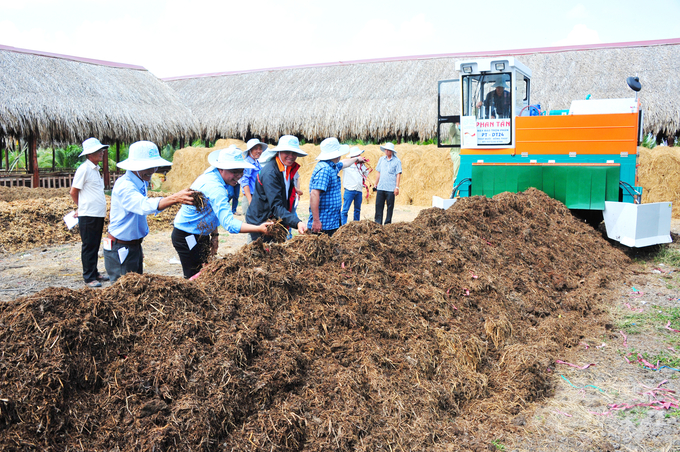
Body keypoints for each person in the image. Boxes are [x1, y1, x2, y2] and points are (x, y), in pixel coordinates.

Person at [172, 146, 271, 279]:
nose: (238, 176)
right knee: (195, 278)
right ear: (221, 168)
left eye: (241, 171)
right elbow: (229, 224)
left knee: (205, 271)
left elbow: (211, 212)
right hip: (187, 235)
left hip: (201, 233)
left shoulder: (216, 175)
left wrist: (215, 235)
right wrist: (259, 228)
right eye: (234, 171)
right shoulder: (215, 187)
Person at [103, 141, 194, 282]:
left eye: (154, 166)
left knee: (136, 290)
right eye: (147, 167)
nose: (152, 171)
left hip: (132, 246)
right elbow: (144, 206)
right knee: (123, 296)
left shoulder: (140, 181)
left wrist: (136, 247)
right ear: (135, 166)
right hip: (121, 248)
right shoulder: (125, 186)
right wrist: (175, 198)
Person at [246, 135, 309, 242]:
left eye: (294, 153)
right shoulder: (270, 173)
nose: (291, 156)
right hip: (262, 220)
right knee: (262, 254)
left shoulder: (286, 168)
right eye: (286, 152)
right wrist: (297, 222)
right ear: (279, 152)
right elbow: (276, 205)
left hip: (275, 220)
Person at [70, 137, 110, 288]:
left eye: (101, 151)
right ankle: (88, 277)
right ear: (89, 154)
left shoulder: (95, 170)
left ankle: (94, 272)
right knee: (88, 245)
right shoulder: (84, 169)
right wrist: (81, 207)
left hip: (97, 214)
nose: (101, 153)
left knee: (94, 244)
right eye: (97, 151)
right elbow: (73, 191)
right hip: (88, 214)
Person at [308, 138, 367, 235]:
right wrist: (316, 221)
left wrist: (356, 159)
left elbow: (344, 163)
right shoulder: (325, 170)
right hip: (324, 225)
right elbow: (314, 194)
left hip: (331, 222)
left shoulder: (332, 166)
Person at [374, 142, 402, 225]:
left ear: (392, 151)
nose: (386, 151)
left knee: (390, 207)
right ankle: (378, 223)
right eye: (385, 149)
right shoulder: (381, 160)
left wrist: (397, 187)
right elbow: (378, 172)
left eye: (388, 150)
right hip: (381, 187)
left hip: (390, 188)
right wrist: (376, 183)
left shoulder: (397, 161)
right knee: (378, 206)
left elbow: (398, 174)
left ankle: (387, 224)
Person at [341, 146, 370, 225]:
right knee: (345, 210)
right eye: (359, 155)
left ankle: (356, 225)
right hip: (349, 190)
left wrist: (362, 164)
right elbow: (341, 162)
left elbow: (366, 173)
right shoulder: (347, 164)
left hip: (359, 190)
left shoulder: (361, 165)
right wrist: (354, 160)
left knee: (357, 209)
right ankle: (343, 225)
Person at [239, 138, 267, 217]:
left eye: (260, 149)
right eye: (256, 149)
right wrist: (250, 200)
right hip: (251, 198)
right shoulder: (248, 163)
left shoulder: (257, 163)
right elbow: (244, 182)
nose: (259, 151)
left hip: (257, 197)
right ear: (249, 151)